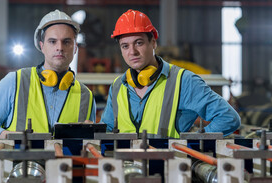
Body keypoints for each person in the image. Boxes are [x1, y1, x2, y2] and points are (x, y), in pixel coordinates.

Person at [100, 9, 240, 138]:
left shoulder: (183, 81)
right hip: (124, 164)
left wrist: (194, 144)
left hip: (168, 164)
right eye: (125, 46)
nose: (132, 52)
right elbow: (108, 129)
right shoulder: (118, 86)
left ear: (153, 43)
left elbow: (228, 118)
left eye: (139, 43)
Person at [0, 9, 96, 139]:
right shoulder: (15, 82)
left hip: (64, 159)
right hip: (20, 159)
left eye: (66, 42)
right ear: (41, 46)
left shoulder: (86, 96)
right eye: (52, 41)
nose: (60, 47)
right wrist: (11, 137)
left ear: (75, 48)